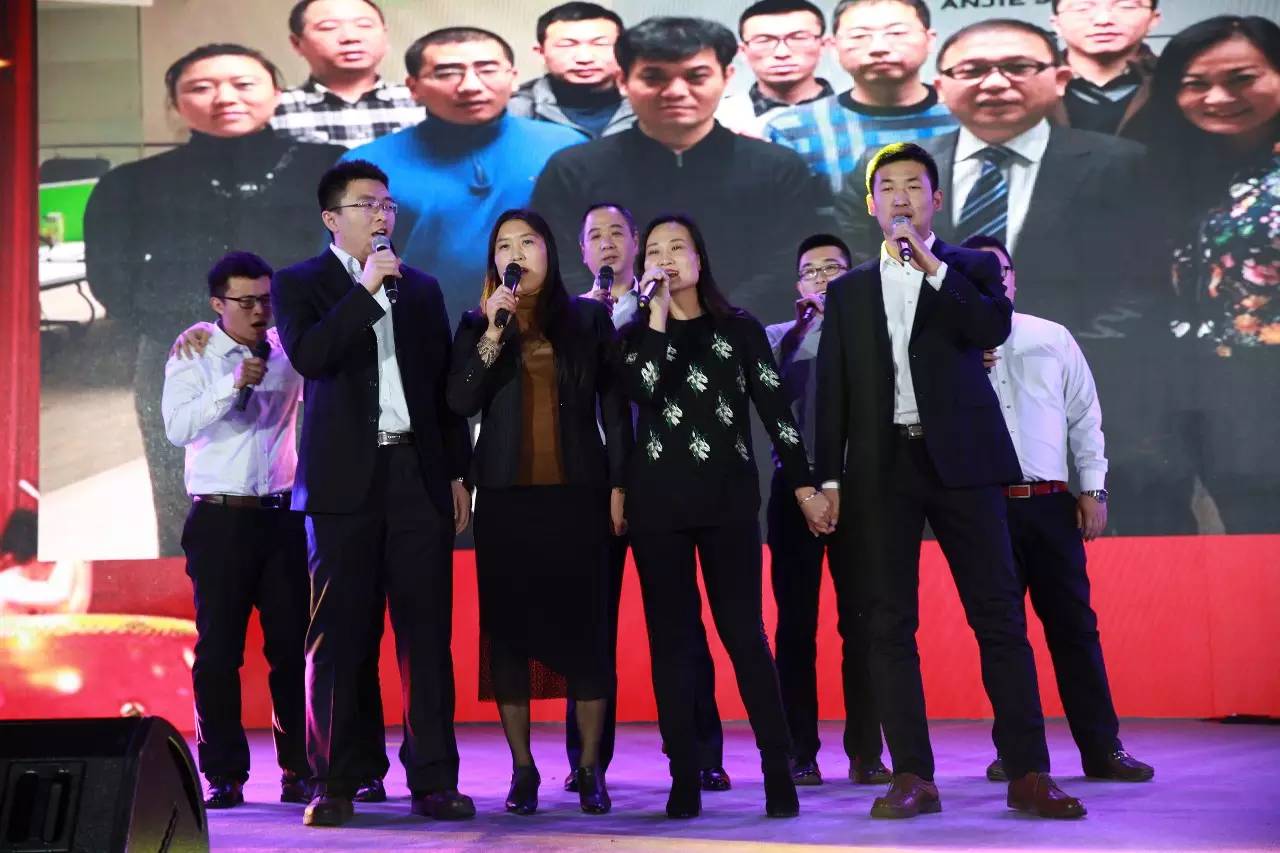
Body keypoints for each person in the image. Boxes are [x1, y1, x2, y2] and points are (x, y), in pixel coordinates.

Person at [816, 142, 1086, 819]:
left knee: (998, 615)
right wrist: (826, 480)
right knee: (887, 622)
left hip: (965, 461)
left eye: (914, 186)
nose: (901, 198)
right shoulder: (849, 290)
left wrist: (933, 268)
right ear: (871, 204)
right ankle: (912, 773)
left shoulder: (969, 267)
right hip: (883, 466)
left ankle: (1028, 771)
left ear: (936, 199)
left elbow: (991, 324)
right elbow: (832, 391)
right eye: (888, 187)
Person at [837, 20, 1178, 532]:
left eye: (1018, 67)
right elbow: (867, 278)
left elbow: (1144, 284)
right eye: (973, 70)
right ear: (941, 84)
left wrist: (1044, 353)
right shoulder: (888, 172)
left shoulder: (1123, 163)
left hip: (1063, 393)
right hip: (927, 414)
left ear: (1059, 78)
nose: (995, 82)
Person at [271, 160, 474, 827]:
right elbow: (311, 356)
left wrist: (456, 473)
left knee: (426, 635)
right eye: (367, 204)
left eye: (388, 204)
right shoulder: (299, 283)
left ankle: (434, 780)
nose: (383, 215)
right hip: (341, 486)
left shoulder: (422, 289)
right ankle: (333, 779)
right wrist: (364, 289)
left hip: (416, 474)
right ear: (332, 218)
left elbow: (443, 391)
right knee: (338, 636)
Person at [83, 43, 344, 558]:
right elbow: (111, 278)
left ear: (277, 92)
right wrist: (195, 333)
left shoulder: (332, 168)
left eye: (244, 84)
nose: (225, 97)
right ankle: (193, 589)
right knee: (188, 488)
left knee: (315, 481)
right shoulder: (129, 183)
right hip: (184, 351)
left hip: (309, 352)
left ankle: (314, 589)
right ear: (174, 103)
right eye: (201, 87)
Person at [618, 213, 834, 819]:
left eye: (677, 247)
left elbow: (776, 413)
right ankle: (684, 774)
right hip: (658, 505)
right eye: (654, 251)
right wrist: (655, 315)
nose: (665, 258)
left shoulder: (738, 329)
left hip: (728, 502)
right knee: (673, 643)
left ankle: (777, 769)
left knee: (744, 635)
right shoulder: (634, 334)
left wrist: (804, 486)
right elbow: (644, 388)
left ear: (699, 258)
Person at [446, 209, 628, 815]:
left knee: (587, 632)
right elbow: (459, 400)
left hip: (578, 495)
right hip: (505, 499)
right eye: (504, 245)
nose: (516, 253)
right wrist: (493, 332)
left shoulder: (588, 318)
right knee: (509, 636)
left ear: (550, 252)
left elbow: (613, 406)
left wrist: (620, 483)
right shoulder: (477, 321)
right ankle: (522, 769)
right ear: (493, 260)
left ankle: (589, 768)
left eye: (528, 242)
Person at [962, 234, 1154, 784]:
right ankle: (1017, 753)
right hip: (982, 509)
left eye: (999, 271)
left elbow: (1084, 415)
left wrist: (1094, 489)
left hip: (1049, 505)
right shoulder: (948, 348)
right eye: (978, 274)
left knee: (1075, 629)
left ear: (1013, 279)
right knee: (1002, 637)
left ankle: (1103, 748)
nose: (992, 280)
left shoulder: (1052, 336)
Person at [573, 202, 730, 792]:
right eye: (595, 236)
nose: (607, 244)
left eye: (618, 232)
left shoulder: (666, 306)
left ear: (637, 244)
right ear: (582, 251)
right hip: (595, 487)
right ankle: (588, 759)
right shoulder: (573, 315)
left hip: (662, 483)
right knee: (591, 624)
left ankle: (699, 752)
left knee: (681, 623)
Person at [532, 16, 833, 322]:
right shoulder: (572, 169)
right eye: (654, 77)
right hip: (608, 334)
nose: (676, 91)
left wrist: (719, 322)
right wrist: (623, 318)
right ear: (623, 81)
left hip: (747, 332)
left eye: (696, 77)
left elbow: (788, 262)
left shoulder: (778, 167)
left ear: (727, 77)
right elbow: (557, 262)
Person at [160, 251, 311, 810]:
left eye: (265, 300)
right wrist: (230, 383)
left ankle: (300, 768)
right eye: (245, 301)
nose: (258, 311)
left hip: (281, 516)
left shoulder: (287, 350)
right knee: (219, 651)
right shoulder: (194, 352)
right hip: (220, 518)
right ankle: (223, 773)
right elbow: (176, 427)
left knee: (291, 648)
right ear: (217, 304)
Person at [1127, 16, 1280, 533]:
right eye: (1195, 84)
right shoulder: (1170, 166)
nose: (1218, 98)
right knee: (1244, 528)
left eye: (1242, 79)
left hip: (1269, 379)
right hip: (1195, 389)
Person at [343, 27, 585, 325]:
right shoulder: (366, 165)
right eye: (447, 73)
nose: (470, 86)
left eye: (488, 70)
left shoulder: (567, 148)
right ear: (413, 86)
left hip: (549, 327)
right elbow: (345, 271)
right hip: (419, 330)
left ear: (513, 77)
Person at [763, 233, 888, 787]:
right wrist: (800, 330)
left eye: (832, 269)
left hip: (857, 490)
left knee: (862, 623)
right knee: (795, 626)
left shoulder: (873, 333)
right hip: (794, 489)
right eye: (811, 271)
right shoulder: (777, 338)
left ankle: (866, 751)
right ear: (798, 283)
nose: (821, 279)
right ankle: (800, 750)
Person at [763, 0, 957, 195]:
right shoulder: (792, 129)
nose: (879, 47)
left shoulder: (964, 116)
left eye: (897, 33)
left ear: (929, 40)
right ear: (833, 47)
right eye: (859, 36)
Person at [272, 0, 425, 147]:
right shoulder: (273, 107)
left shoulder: (424, 100)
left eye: (364, 25)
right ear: (296, 44)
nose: (351, 37)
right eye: (328, 27)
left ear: (385, 37)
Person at [509, 2, 634, 139]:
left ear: (624, 50)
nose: (584, 58)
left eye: (600, 44)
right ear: (541, 53)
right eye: (566, 45)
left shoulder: (647, 103)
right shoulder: (512, 110)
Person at [714, 0, 835, 137]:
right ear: (742, 51)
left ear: (823, 45)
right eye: (764, 41)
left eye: (798, 38)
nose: (782, 53)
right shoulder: (718, 120)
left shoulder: (853, 108)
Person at [1049, 0, 1161, 135]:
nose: (1103, 20)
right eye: (1082, 8)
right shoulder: (1034, 80)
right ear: (1056, 24)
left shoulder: (1174, 77)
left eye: (1126, 6)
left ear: (1153, 19)